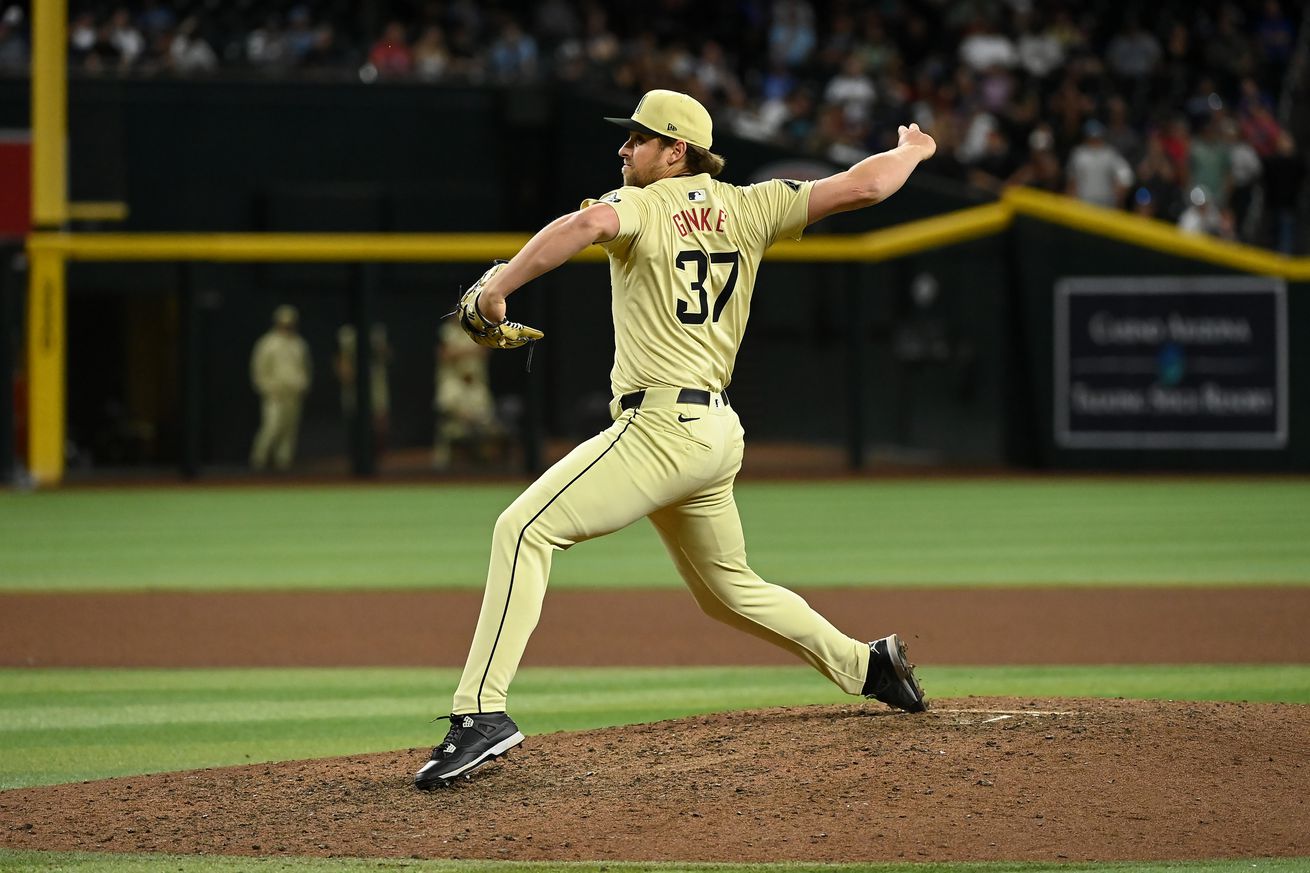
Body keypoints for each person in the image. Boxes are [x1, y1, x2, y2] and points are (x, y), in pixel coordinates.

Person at [414, 89, 934, 790]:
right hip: (715, 430)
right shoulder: (754, 204)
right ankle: (867, 665)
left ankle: (480, 713)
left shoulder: (642, 204)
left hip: (659, 426)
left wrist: (498, 288)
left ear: (676, 150)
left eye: (638, 138)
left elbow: (584, 223)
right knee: (726, 589)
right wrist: (911, 150)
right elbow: (867, 185)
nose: (623, 149)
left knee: (522, 529)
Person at [432, 319, 502, 469]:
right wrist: (470, 351)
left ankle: (484, 464)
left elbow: (487, 348)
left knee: (489, 426)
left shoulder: (479, 388)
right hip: (457, 415)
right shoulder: (450, 385)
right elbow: (444, 354)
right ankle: (445, 464)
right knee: (449, 426)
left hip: (476, 398)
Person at [249, 304, 311, 472]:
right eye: (284, 323)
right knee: (271, 426)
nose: (287, 326)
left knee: (289, 430)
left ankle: (283, 464)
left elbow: (305, 367)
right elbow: (259, 369)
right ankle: (258, 461)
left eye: (290, 323)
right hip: (275, 393)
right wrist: (267, 388)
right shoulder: (268, 343)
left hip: (293, 393)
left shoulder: (299, 344)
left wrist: (303, 385)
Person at [335, 323, 392, 456]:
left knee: (380, 418)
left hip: (375, 379)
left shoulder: (376, 331)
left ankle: (378, 453)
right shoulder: (346, 332)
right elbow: (339, 358)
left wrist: (383, 350)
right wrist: (343, 371)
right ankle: (358, 452)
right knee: (354, 417)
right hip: (354, 382)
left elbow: (387, 354)